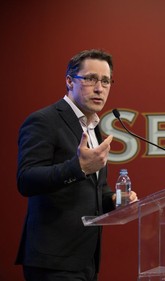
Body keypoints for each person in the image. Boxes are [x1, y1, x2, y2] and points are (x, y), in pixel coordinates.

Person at [16, 49, 137, 281]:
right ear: (70, 81)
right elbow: (26, 179)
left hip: (85, 259)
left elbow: (96, 188)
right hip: (53, 259)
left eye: (105, 81)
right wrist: (78, 167)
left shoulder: (93, 126)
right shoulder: (44, 121)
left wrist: (114, 200)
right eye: (90, 79)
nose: (99, 88)